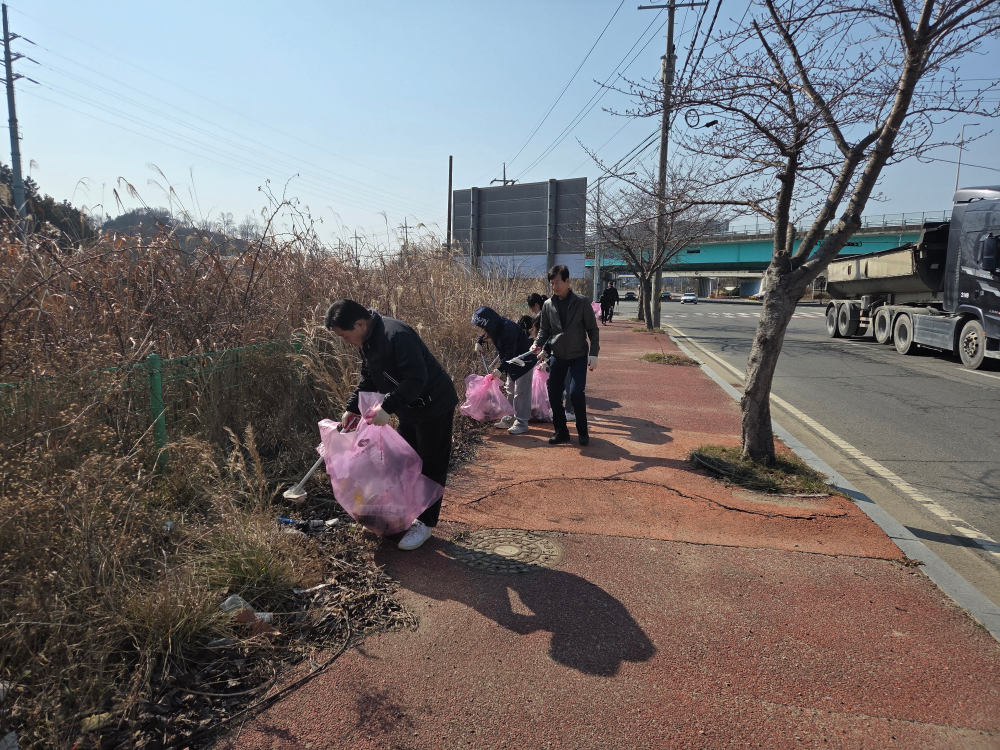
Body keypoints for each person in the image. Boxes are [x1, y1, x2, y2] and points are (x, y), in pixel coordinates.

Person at [325, 299, 459, 551]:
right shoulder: (367, 341)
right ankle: (401, 513)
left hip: (434, 404)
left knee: (431, 463)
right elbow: (369, 377)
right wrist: (351, 408)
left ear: (360, 324)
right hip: (409, 407)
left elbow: (416, 377)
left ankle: (425, 523)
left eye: (344, 336)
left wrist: (387, 406)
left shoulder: (396, 335)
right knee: (402, 460)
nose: (345, 342)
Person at [530, 265, 600, 446]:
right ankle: (561, 431)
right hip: (558, 355)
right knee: (553, 394)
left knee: (576, 393)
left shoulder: (582, 302)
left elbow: (593, 329)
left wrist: (594, 353)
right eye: (551, 283)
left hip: (578, 355)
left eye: (558, 282)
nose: (554, 287)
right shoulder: (547, 305)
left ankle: (583, 431)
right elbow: (544, 329)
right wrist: (537, 344)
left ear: (568, 281)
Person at [472, 306, 533, 435]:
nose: (483, 331)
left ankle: (522, 423)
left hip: (524, 361)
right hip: (511, 362)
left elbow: (510, 353)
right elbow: (485, 332)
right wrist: (479, 342)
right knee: (510, 390)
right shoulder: (495, 326)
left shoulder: (508, 329)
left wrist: (500, 369)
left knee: (521, 392)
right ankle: (510, 418)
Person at [528, 292, 575, 421]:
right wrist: (544, 353)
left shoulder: (554, 323)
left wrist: (547, 359)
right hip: (560, 356)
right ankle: (558, 409)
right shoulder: (548, 320)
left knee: (568, 384)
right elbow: (549, 344)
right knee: (557, 385)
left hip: (570, 356)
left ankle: (570, 411)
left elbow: (558, 346)